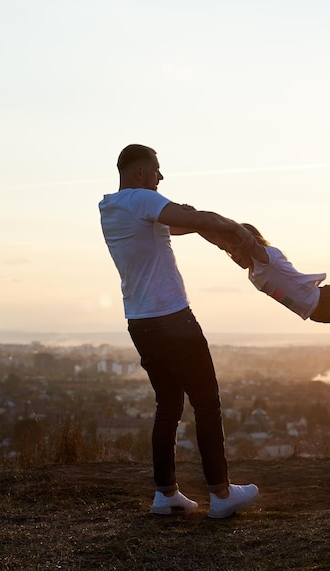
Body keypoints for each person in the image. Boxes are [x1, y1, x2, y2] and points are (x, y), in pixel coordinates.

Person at [99, 144, 262, 518]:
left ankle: (165, 493)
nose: (161, 178)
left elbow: (186, 222)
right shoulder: (141, 198)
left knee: (168, 405)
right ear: (140, 173)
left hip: (140, 323)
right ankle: (221, 495)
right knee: (207, 403)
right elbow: (200, 217)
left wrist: (206, 225)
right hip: (172, 319)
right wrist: (242, 234)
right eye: (157, 171)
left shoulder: (113, 209)